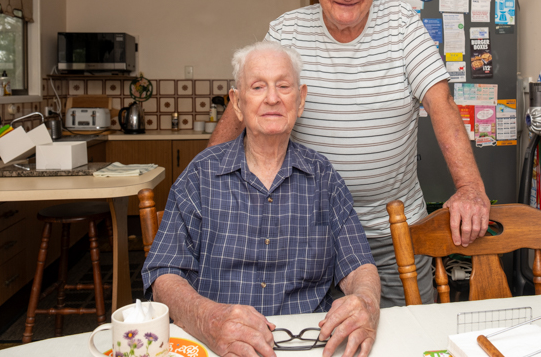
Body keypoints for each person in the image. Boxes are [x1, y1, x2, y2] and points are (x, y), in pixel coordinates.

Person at [209, 0, 490, 307]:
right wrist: (205, 181)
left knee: (407, 336)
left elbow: (441, 105)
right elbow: (244, 106)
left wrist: (470, 187)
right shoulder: (287, 31)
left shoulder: (402, 24)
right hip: (308, 232)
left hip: (396, 232)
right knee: (315, 337)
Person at [142, 41, 380, 357]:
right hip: (215, 344)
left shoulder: (324, 177)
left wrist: (364, 302)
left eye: (283, 86)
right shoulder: (201, 174)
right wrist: (209, 319)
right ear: (237, 104)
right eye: (258, 87)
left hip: (309, 344)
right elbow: (163, 275)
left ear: (301, 98)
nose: (272, 98)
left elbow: (359, 265)